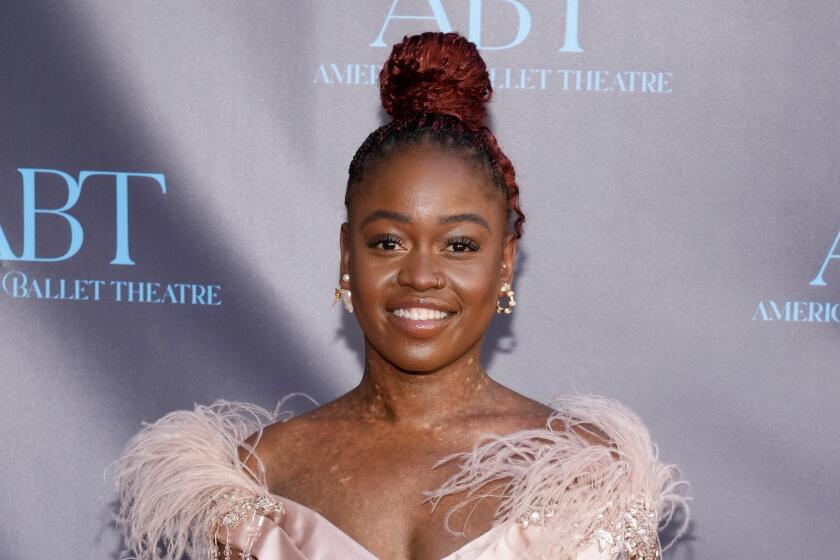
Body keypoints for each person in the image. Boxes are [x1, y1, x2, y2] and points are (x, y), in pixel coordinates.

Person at [107, 31, 689, 560]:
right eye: (388, 241)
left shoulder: (585, 475)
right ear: (346, 256)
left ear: (505, 262)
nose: (421, 274)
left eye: (459, 245)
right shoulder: (257, 475)